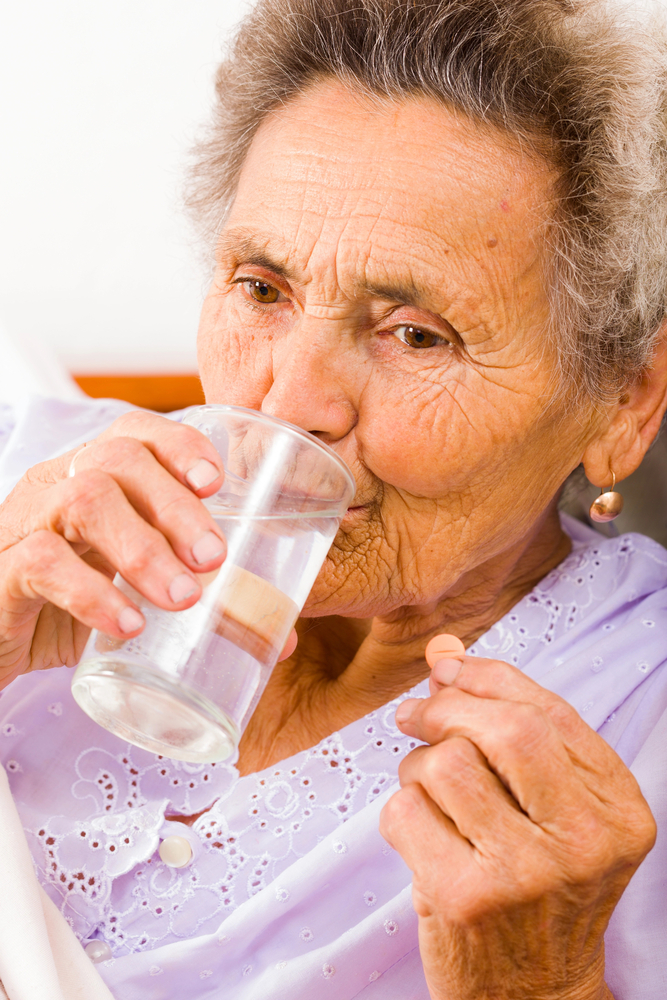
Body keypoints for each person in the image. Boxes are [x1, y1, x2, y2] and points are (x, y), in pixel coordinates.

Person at [1, 1, 666, 997]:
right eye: (261, 288)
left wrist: (542, 988)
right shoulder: (38, 487)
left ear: (622, 401)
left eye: (413, 333)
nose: (288, 400)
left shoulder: (641, 713)